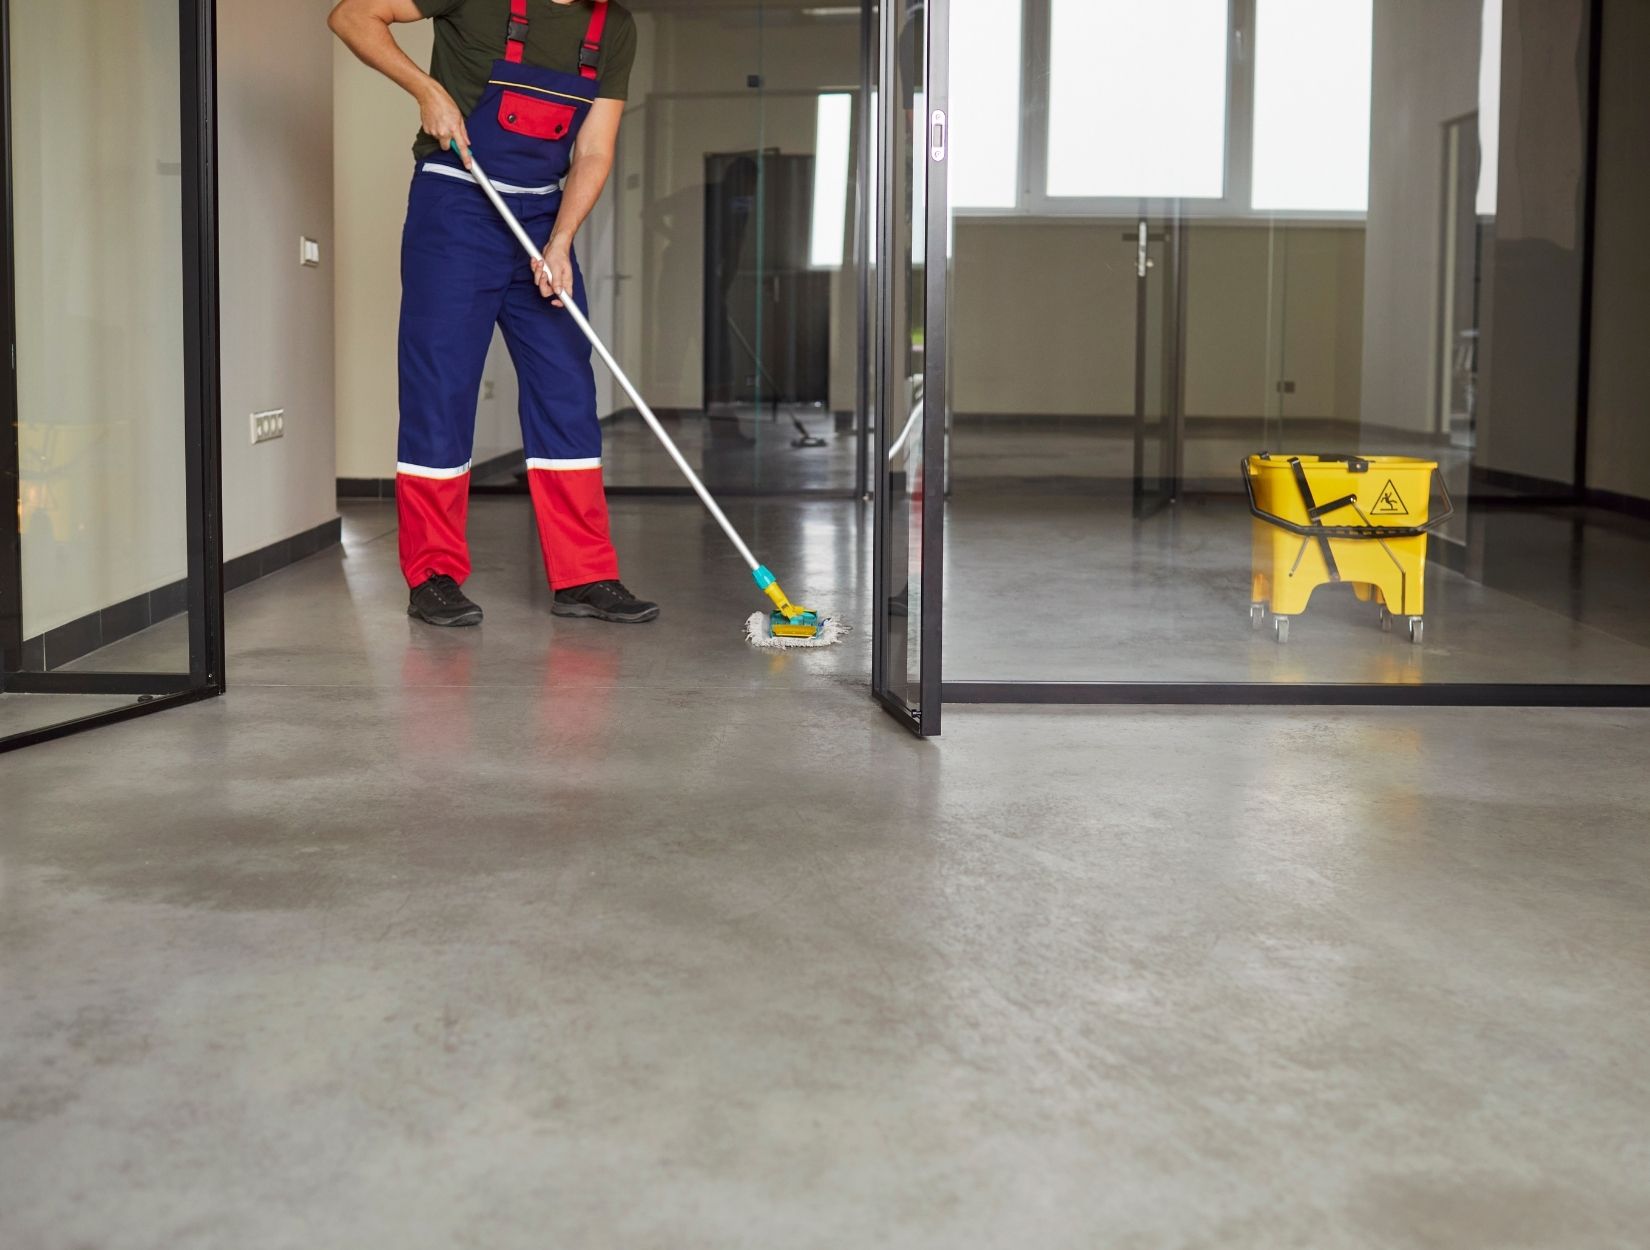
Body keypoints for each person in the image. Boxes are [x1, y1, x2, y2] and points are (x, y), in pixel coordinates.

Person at [328, 0, 658, 627]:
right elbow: (351, 17)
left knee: (566, 385)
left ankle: (585, 575)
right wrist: (427, 90)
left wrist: (561, 242)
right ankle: (433, 575)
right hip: (457, 202)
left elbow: (593, 149)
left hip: (540, 217)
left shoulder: (611, 26)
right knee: (442, 386)